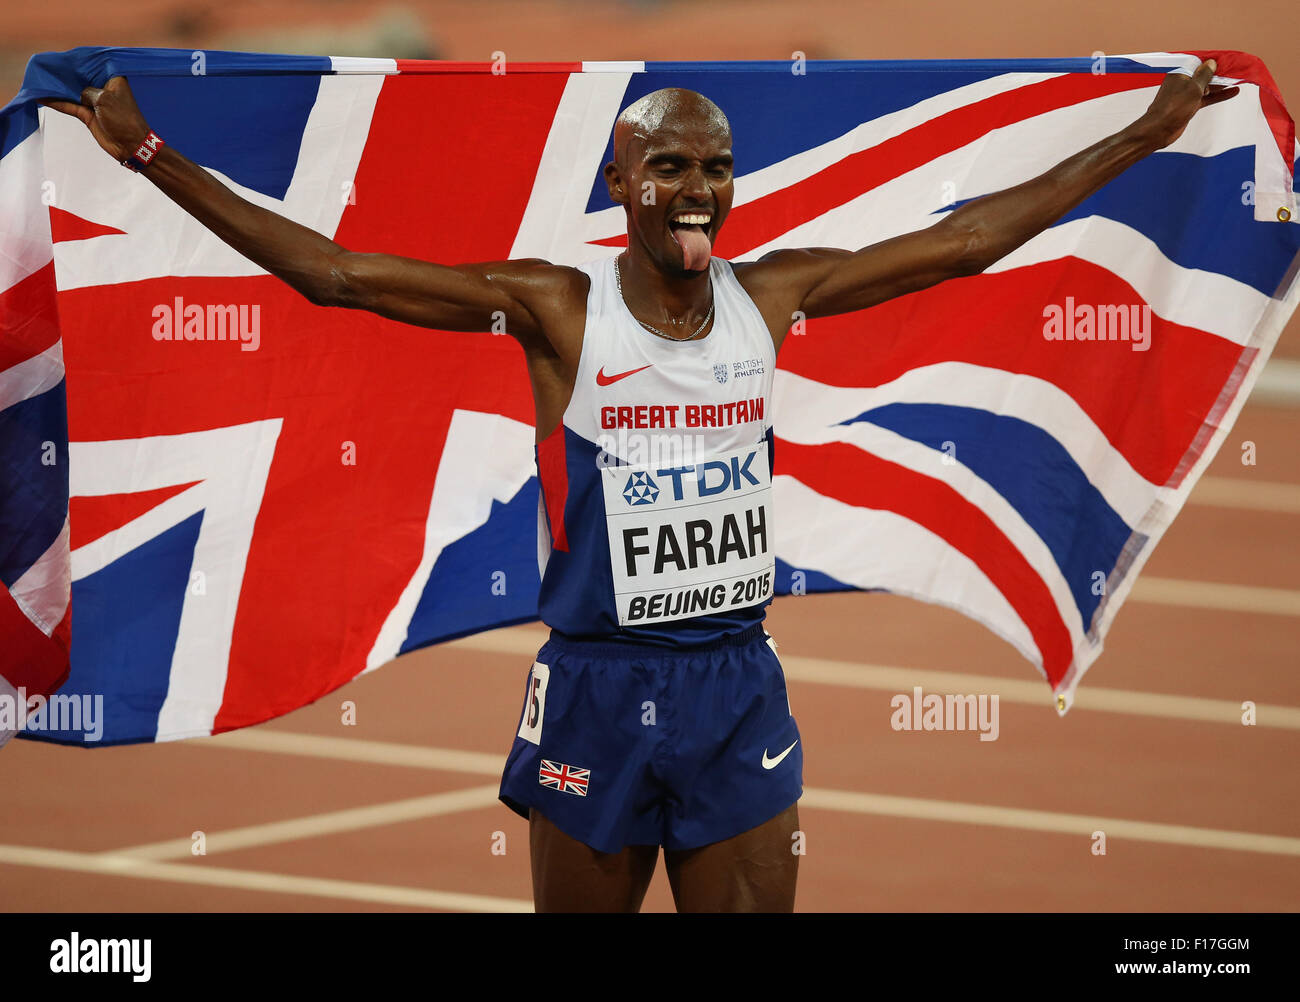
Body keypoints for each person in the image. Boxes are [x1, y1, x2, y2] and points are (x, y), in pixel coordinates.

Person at [46, 59, 1233, 912]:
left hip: (734, 686)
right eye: (669, 166)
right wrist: (148, 154)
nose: (698, 187)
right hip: (596, 692)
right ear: (622, 181)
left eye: (715, 167)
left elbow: (970, 241)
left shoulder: (771, 296)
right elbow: (338, 274)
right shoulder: (561, 308)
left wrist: (1145, 131)